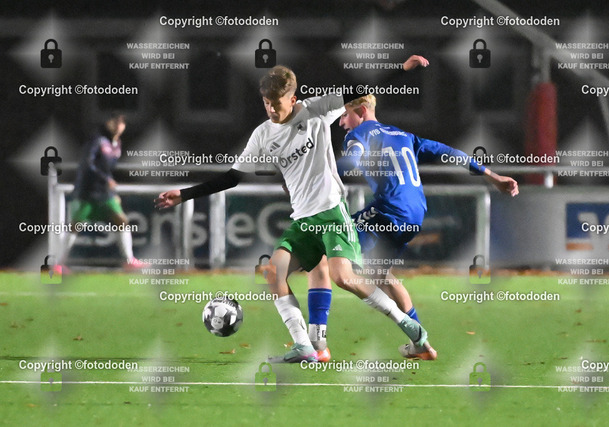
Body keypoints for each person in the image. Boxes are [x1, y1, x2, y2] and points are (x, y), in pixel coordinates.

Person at [155, 57, 437, 362]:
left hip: (331, 213)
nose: (271, 110)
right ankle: (305, 346)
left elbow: (361, 89)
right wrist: (184, 195)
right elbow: (232, 178)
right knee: (273, 273)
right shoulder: (263, 134)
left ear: (293, 98)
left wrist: (402, 69)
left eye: (277, 103)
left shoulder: (317, 109)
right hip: (303, 220)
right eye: (266, 103)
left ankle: (412, 329)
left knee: (344, 278)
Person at [306, 94, 519, 362]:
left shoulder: (359, 134)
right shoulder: (404, 135)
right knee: (379, 275)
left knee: (320, 251)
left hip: (388, 211)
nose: (341, 123)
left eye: (344, 115)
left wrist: (312, 178)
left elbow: (349, 163)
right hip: (415, 214)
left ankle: (317, 345)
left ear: (360, 111)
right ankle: (421, 345)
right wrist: (492, 176)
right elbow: (449, 153)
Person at [59, 112, 146, 269]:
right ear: (107, 123)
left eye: (121, 123)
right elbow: (87, 164)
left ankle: (129, 261)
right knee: (75, 226)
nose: (118, 125)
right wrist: (105, 179)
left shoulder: (117, 144)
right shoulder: (97, 140)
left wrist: (112, 191)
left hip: (105, 193)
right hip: (88, 191)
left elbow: (107, 169)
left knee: (122, 221)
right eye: (114, 121)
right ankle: (58, 264)